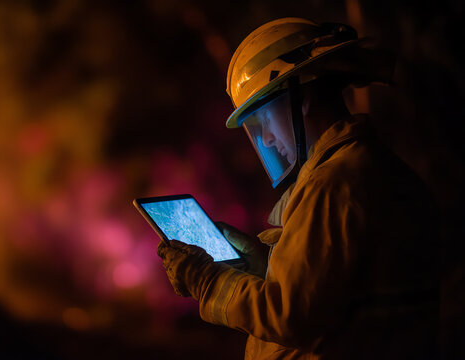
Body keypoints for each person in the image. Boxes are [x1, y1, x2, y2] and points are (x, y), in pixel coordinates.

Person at [157, 18, 439, 359]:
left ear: (300, 98)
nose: (268, 139)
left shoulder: (334, 183)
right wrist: (262, 267)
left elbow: (289, 317)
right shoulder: (365, 166)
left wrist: (207, 280)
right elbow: (333, 294)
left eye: (265, 120)